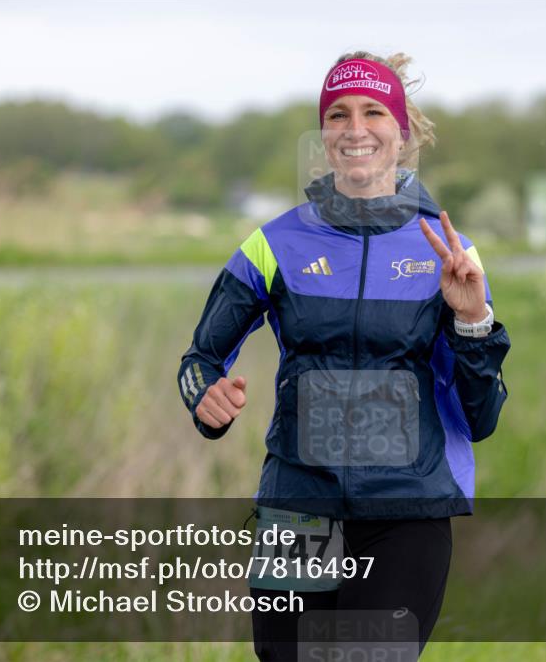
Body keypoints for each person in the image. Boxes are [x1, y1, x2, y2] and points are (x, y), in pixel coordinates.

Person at [177, 51, 511, 661]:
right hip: (298, 503)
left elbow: (481, 416)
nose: (356, 129)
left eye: (373, 112)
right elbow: (200, 360)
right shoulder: (273, 243)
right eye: (338, 115)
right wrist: (207, 400)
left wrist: (472, 319)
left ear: (402, 132)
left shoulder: (449, 249)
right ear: (323, 133)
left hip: (406, 509)